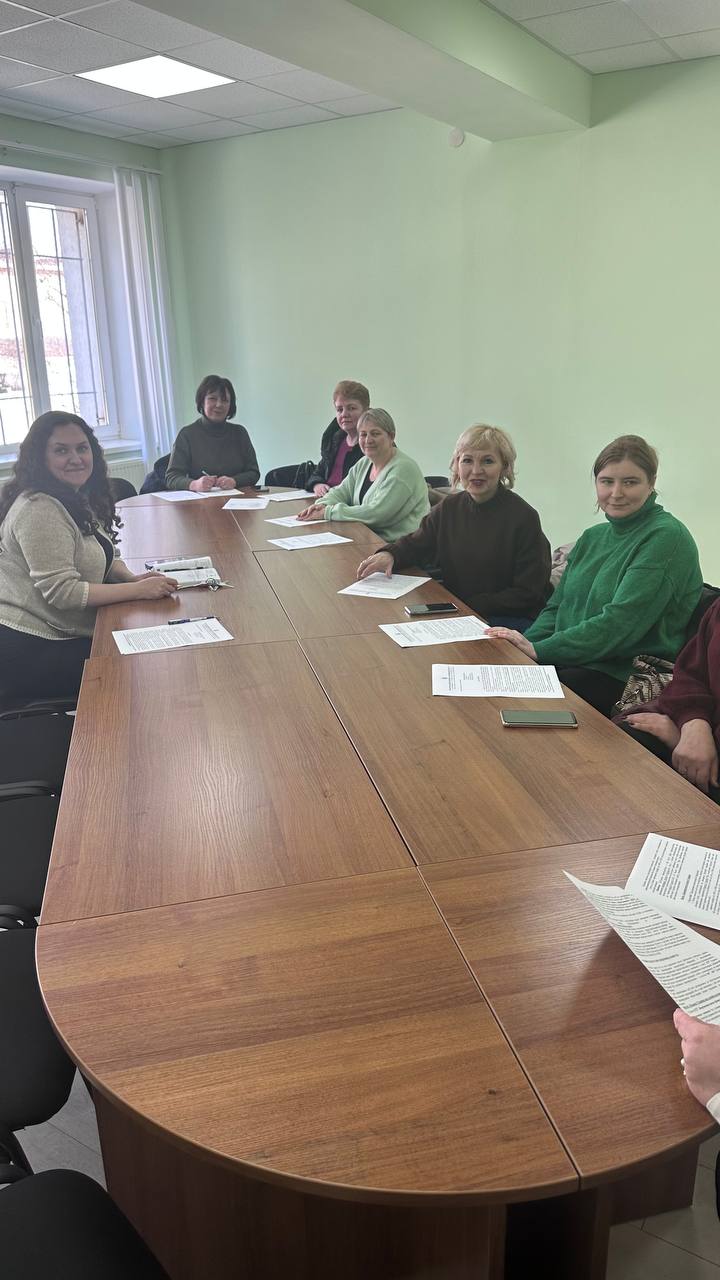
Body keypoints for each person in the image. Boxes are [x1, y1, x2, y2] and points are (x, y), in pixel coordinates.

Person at [485, 435, 702, 716]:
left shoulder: (667, 537)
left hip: (621, 675)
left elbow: (620, 624)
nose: (616, 493)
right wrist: (523, 647)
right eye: (606, 481)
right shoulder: (592, 537)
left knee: (507, 708)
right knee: (488, 684)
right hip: (571, 660)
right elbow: (556, 608)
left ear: (651, 483)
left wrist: (540, 651)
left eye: (630, 482)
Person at [0, 411, 177, 704]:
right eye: (61, 450)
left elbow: (107, 552)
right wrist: (137, 591)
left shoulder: (74, 495)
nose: (76, 458)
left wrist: (131, 579)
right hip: (31, 643)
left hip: (59, 627)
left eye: (82, 448)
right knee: (142, 665)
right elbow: (63, 592)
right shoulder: (39, 508)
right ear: (40, 457)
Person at [356, 424, 551, 628]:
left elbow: (528, 592)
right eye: (467, 460)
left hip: (508, 618)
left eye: (488, 461)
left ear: (504, 467)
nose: (476, 471)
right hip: (462, 611)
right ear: (456, 465)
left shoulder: (523, 517)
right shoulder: (449, 508)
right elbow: (417, 544)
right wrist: (390, 554)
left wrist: (467, 606)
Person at [620, 597, 720, 799]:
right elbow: (690, 673)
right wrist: (693, 723)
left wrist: (680, 739)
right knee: (626, 739)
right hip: (700, 728)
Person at [296, 408, 429, 543]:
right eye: (363, 434)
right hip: (365, 539)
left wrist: (328, 512)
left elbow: (376, 514)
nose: (368, 440)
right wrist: (323, 504)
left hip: (398, 547)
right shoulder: (365, 463)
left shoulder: (403, 469)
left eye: (375, 434)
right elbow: (342, 491)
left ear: (391, 436)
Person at [166, 374, 259, 492]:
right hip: (200, 501)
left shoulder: (240, 433)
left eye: (224, 400)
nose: (219, 404)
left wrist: (235, 481)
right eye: (212, 398)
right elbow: (171, 477)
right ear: (202, 401)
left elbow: (254, 472)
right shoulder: (187, 434)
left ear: (231, 405)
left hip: (238, 499)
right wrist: (194, 484)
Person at [305, 380, 368, 496]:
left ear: (366, 411)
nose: (344, 414)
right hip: (324, 500)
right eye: (339, 409)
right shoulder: (335, 440)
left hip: (347, 504)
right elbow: (317, 473)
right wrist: (317, 484)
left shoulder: (374, 444)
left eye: (351, 408)